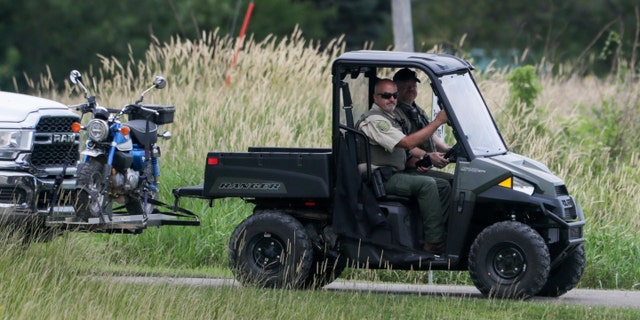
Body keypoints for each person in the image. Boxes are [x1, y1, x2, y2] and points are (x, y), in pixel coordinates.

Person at [357, 78, 450, 253]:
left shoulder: (391, 118)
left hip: (395, 173)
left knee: (444, 185)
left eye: (394, 95)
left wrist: (422, 159)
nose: (391, 99)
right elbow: (407, 143)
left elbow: (403, 150)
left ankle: (435, 233)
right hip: (381, 178)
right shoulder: (376, 121)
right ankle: (434, 243)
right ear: (375, 97)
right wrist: (437, 122)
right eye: (386, 96)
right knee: (427, 184)